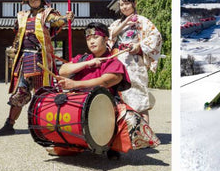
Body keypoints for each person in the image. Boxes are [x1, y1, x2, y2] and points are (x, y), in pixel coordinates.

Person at [49, 22, 159, 159]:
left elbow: (107, 80)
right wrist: (87, 63)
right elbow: (63, 70)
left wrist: (75, 84)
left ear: (106, 40)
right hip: (78, 103)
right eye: (88, 39)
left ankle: (111, 144)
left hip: (105, 106)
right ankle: (72, 144)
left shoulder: (114, 62)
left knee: (128, 116)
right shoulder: (82, 59)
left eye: (95, 37)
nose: (91, 41)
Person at [0, 0, 73, 136]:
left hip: (40, 59)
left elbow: (57, 21)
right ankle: (9, 124)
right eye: (31, 0)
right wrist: (14, 50)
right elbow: (18, 36)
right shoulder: (22, 15)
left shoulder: (47, 13)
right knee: (21, 92)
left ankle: (44, 126)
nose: (34, 2)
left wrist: (66, 18)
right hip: (24, 59)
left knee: (42, 92)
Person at [108, 0, 162, 122]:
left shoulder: (143, 21)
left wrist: (139, 45)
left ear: (134, 4)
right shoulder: (116, 23)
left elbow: (156, 36)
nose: (124, 7)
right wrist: (124, 23)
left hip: (135, 63)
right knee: (120, 97)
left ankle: (145, 132)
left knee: (139, 96)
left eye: (127, 3)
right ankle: (127, 133)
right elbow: (110, 36)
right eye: (121, 5)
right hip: (119, 62)